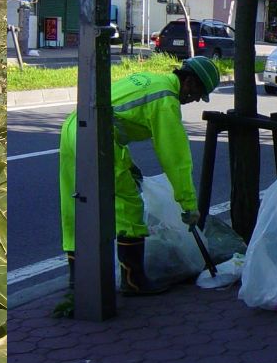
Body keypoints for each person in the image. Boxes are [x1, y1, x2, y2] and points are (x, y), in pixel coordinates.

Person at [59, 56, 223, 295]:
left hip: (75, 127)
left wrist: (128, 162)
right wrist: (188, 204)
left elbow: (119, 117)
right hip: (99, 138)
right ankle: (133, 280)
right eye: (198, 92)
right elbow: (175, 157)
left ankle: (78, 279)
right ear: (188, 80)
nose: (195, 99)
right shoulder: (166, 99)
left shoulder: (152, 80)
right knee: (128, 206)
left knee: (75, 204)